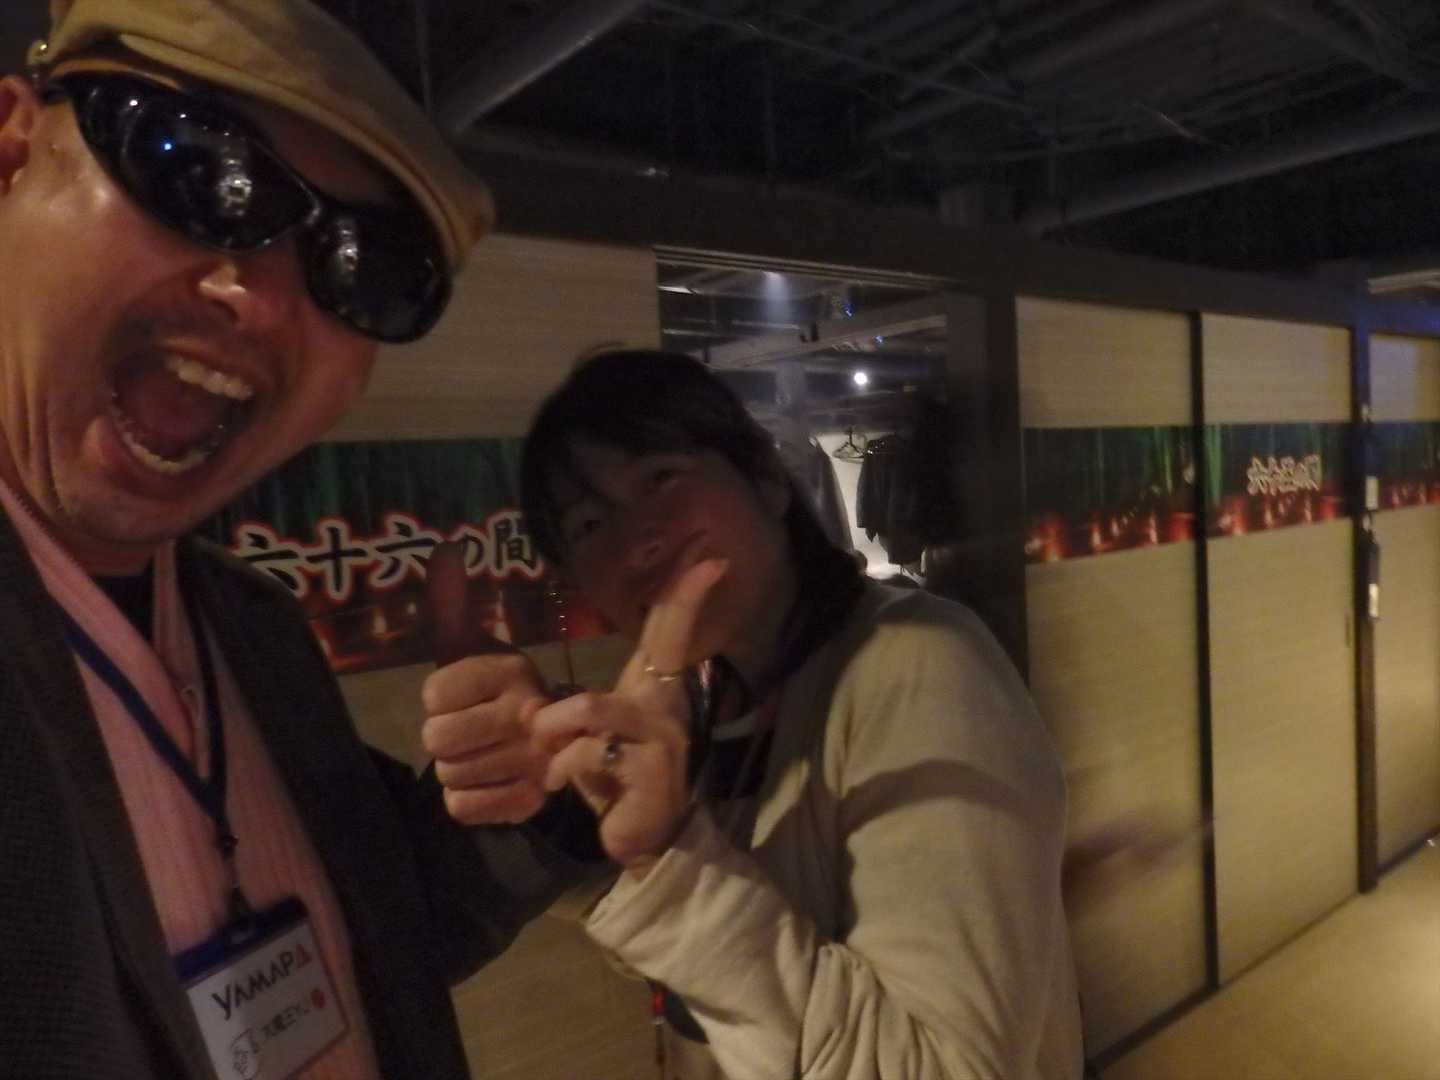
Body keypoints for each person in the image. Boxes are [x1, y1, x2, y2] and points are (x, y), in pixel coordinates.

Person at [0, 3, 599, 1078]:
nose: (267, 300)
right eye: (200, 174)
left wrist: (522, 789)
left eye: (365, 267)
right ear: (12, 154)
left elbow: (378, 939)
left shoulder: (254, 626)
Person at [429, 349, 1086, 1079]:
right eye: (588, 524)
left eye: (661, 478)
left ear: (767, 479)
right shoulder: (711, 697)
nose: (639, 537)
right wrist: (571, 813)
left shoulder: (917, 666)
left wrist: (673, 860)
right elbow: (715, 988)